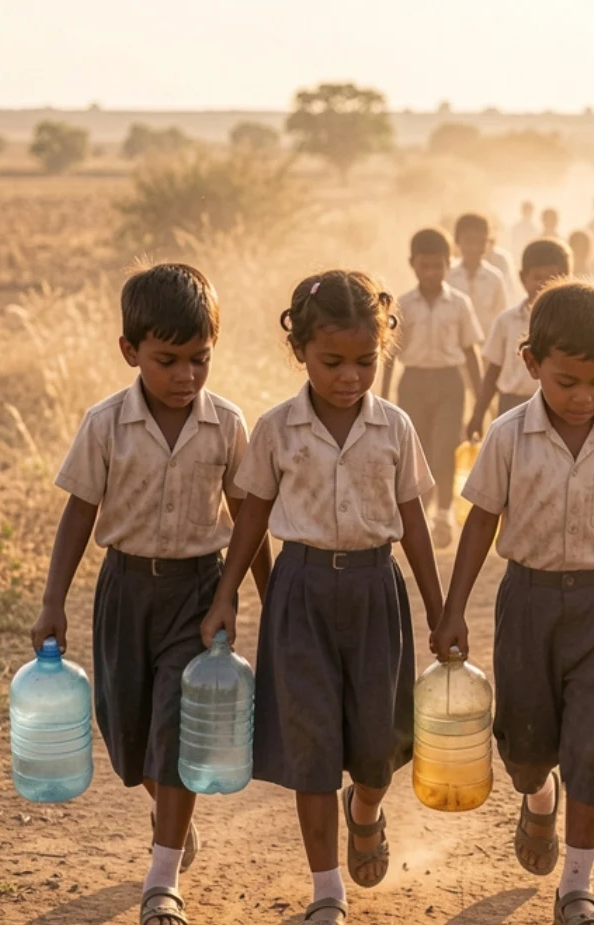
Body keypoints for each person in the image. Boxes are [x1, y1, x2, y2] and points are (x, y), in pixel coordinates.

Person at [30, 263, 272, 925]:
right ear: (130, 351)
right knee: (127, 734)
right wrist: (53, 600)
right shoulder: (105, 422)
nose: (187, 375)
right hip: (124, 589)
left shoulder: (226, 424)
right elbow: (79, 512)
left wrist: (260, 595)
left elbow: (248, 515)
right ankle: (167, 812)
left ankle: (162, 877)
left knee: (174, 734)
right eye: (168, 360)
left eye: (201, 359)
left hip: (198, 592)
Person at [200, 271, 444, 924]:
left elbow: (413, 521)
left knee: (375, 750)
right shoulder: (278, 427)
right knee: (311, 748)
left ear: (382, 350)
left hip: (374, 593)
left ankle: (365, 811)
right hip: (300, 594)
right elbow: (251, 518)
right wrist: (229, 596)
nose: (349, 375)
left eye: (365, 361)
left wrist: (440, 608)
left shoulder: (394, 426)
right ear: (300, 351)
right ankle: (326, 890)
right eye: (332, 361)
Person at [432, 280, 594, 925]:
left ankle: (578, 886)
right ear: (531, 362)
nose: (584, 397)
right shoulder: (508, 435)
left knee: (593, 742)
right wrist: (453, 610)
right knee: (526, 751)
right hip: (527, 604)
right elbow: (480, 522)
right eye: (568, 381)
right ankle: (538, 799)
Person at [383, 227, 483, 548]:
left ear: (448, 264)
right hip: (412, 382)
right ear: (413, 264)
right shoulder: (402, 306)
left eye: (438, 265)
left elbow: (470, 352)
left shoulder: (459, 304)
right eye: (425, 266)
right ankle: (419, 515)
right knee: (417, 448)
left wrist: (480, 402)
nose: (431, 273)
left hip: (448, 382)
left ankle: (442, 513)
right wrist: (382, 398)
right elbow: (389, 354)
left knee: (444, 445)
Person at [466, 237, 572, 440]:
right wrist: (478, 414)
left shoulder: (572, 323)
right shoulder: (506, 321)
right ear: (523, 278)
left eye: (552, 277)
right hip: (511, 405)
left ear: (566, 278)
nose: (544, 284)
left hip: (555, 407)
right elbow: (492, 372)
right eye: (537, 277)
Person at [448, 212, 510, 333]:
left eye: (480, 242)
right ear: (457, 241)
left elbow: (501, 318)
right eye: (469, 241)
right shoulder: (447, 275)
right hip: (452, 348)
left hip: (486, 346)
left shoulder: (495, 278)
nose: (475, 248)